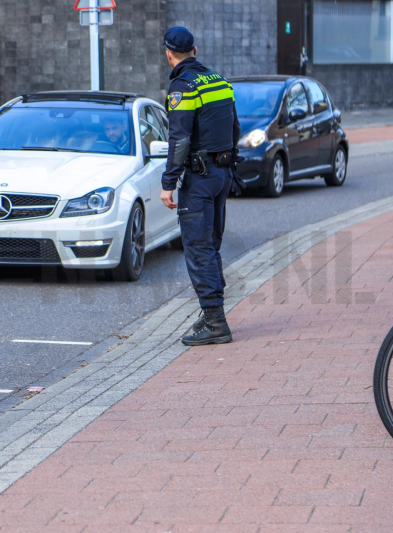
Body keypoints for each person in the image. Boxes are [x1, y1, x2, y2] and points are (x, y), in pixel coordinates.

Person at [159, 27, 241, 346]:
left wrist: (168, 183)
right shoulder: (219, 81)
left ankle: (216, 321)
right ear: (195, 49)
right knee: (211, 245)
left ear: (169, 55)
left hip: (200, 179)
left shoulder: (182, 87)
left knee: (198, 248)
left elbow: (179, 139)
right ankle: (211, 313)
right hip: (222, 174)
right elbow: (234, 127)